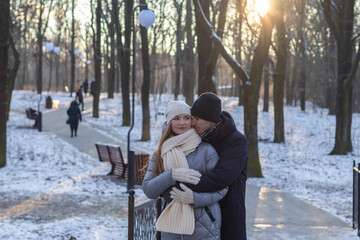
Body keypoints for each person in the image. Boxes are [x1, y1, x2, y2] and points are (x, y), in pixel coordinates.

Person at [142, 100, 227, 239]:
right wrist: (172, 175)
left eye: (186, 118)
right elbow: (148, 189)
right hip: (171, 227)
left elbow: (222, 189)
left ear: (192, 120)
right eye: (176, 118)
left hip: (204, 227)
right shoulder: (161, 153)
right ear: (170, 122)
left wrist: (195, 198)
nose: (182, 123)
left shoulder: (206, 150)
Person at [181, 92, 248, 240]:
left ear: (211, 119)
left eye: (197, 119)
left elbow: (221, 177)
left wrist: (183, 181)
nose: (193, 123)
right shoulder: (200, 137)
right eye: (192, 118)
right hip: (203, 217)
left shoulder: (236, 141)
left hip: (228, 215)